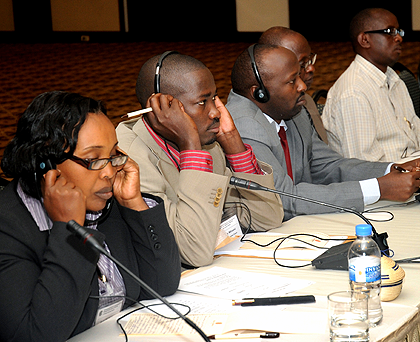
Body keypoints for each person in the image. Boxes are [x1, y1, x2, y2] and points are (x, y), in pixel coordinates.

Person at [0, 91, 181, 342]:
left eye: (113, 154)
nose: (108, 171)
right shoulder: (8, 229)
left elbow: (162, 283)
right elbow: (33, 335)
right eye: (93, 159)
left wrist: (134, 203)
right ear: (46, 164)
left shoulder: (107, 202)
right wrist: (68, 229)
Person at [116, 52, 283, 267]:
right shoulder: (129, 160)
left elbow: (266, 218)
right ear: (162, 108)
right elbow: (193, 252)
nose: (215, 112)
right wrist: (190, 146)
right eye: (202, 102)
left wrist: (233, 143)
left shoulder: (211, 147)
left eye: (214, 98)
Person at [226, 44, 420, 221]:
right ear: (259, 92)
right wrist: (379, 188)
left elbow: (328, 166)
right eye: (292, 81)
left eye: (299, 77)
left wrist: (392, 169)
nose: (302, 86)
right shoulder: (244, 126)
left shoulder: (292, 110)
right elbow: (283, 198)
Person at [322, 8, 420, 162]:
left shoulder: (394, 79)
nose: (399, 38)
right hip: (390, 180)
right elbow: (365, 167)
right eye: (390, 32)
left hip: (411, 167)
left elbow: (415, 131)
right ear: (365, 40)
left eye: (399, 32)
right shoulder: (354, 92)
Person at [258, 26, 328, 143]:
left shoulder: (307, 102)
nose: (311, 68)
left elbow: (321, 154)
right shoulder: (253, 122)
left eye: (310, 59)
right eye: (303, 63)